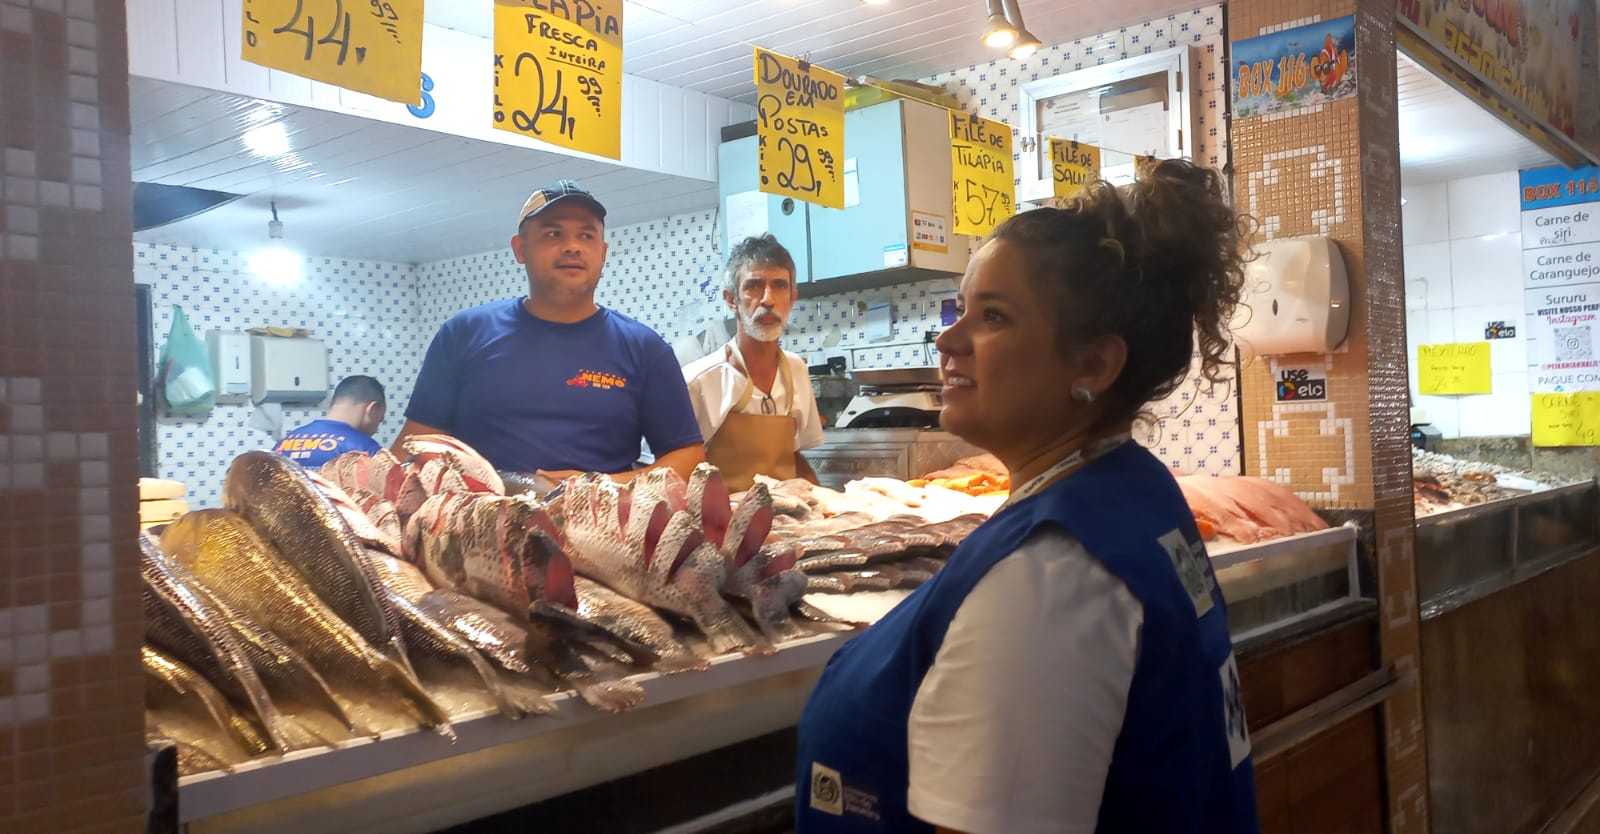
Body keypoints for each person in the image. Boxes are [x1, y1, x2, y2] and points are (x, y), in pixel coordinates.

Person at [793, 159, 1261, 834]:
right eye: (962, 309)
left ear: (1092, 365)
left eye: (993, 317)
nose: (948, 339)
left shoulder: (1049, 579)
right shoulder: (1127, 488)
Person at [393, 180, 705, 482]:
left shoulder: (645, 348)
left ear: (603, 252)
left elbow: (688, 456)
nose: (572, 247)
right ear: (520, 249)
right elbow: (417, 446)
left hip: (601, 528)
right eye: (553, 233)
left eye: (586, 236)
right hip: (479, 526)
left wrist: (604, 486)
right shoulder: (462, 334)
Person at [683, 233, 825, 491]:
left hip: (789, 524)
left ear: (792, 298)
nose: (768, 299)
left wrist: (828, 502)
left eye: (780, 285)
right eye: (754, 286)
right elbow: (674, 473)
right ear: (731, 300)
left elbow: (793, 457)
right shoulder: (698, 382)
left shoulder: (797, 370)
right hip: (722, 527)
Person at [273, 375, 386, 469]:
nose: (376, 430)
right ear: (372, 408)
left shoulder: (282, 444)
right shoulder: (363, 448)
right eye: (379, 420)